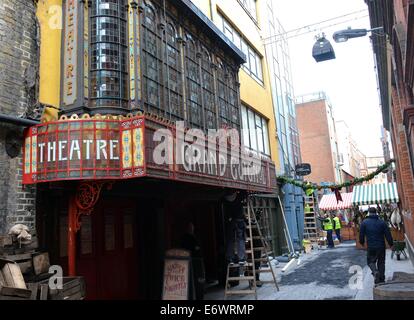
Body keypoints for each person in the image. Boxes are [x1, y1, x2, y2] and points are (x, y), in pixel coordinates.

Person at [359, 207, 394, 284]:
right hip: (381, 246)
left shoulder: (364, 223)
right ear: (376, 212)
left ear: (368, 212)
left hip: (371, 246)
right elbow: (388, 234)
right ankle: (381, 279)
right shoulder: (382, 222)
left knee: (370, 261)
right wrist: (391, 244)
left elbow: (361, 234)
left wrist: (361, 242)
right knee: (381, 262)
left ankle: (375, 272)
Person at [180, 222, 205, 300]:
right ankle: (198, 295)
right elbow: (196, 248)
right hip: (194, 260)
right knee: (196, 279)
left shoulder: (185, 238)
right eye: (191, 227)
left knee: (193, 279)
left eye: (192, 227)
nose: (192, 229)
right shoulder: (191, 238)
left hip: (189, 260)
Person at [224, 191, 247, 265]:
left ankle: (230, 258)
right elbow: (245, 193)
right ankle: (241, 258)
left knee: (230, 239)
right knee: (240, 239)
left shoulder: (226, 199)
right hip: (239, 221)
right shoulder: (238, 197)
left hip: (231, 221)